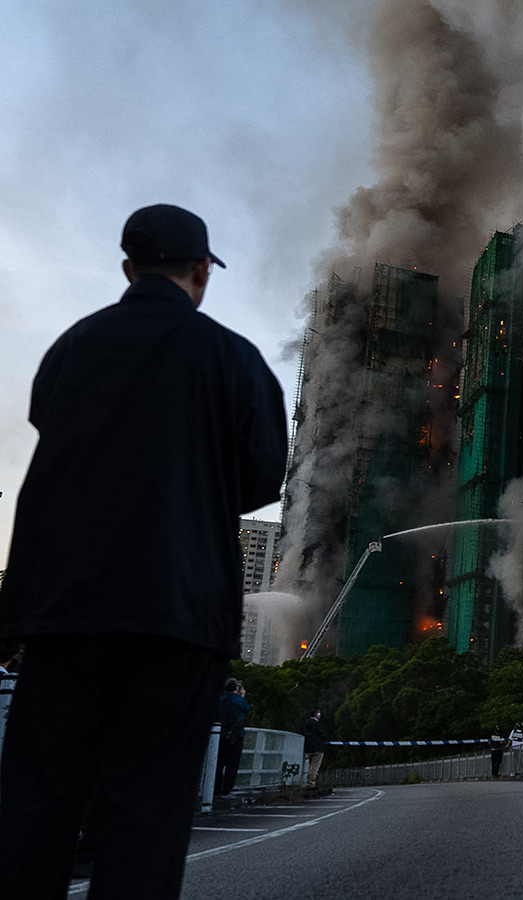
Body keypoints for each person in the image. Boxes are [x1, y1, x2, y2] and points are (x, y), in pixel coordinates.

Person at [0, 203, 288, 897]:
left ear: (128, 268)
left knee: (35, 799)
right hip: (179, 612)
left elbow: (52, 425)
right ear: (201, 273)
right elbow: (258, 477)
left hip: (65, 610)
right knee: (148, 806)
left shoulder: (73, 347)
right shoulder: (234, 359)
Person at [216, 678, 250, 795]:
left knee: (218, 763)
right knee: (232, 764)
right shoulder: (239, 701)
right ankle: (227, 789)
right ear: (236, 688)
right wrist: (242, 695)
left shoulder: (221, 699)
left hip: (219, 734)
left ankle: (215, 789)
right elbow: (246, 709)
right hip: (236, 735)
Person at [302, 709, 328, 789]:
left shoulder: (306, 724)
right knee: (315, 766)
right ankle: (310, 782)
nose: (320, 714)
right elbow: (322, 735)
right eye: (318, 713)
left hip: (307, 747)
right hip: (317, 747)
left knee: (306, 765)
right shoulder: (318, 725)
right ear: (315, 714)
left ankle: (303, 781)